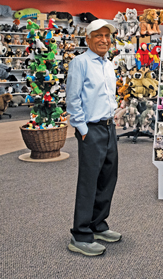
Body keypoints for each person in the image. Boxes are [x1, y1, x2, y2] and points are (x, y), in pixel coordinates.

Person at [66, 19, 121, 256]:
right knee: (89, 182)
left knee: (108, 178)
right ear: (87, 39)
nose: (104, 40)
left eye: (107, 36)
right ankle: (80, 235)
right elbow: (73, 97)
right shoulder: (80, 63)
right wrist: (82, 128)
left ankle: (98, 225)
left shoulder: (108, 64)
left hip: (109, 128)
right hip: (90, 129)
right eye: (98, 36)